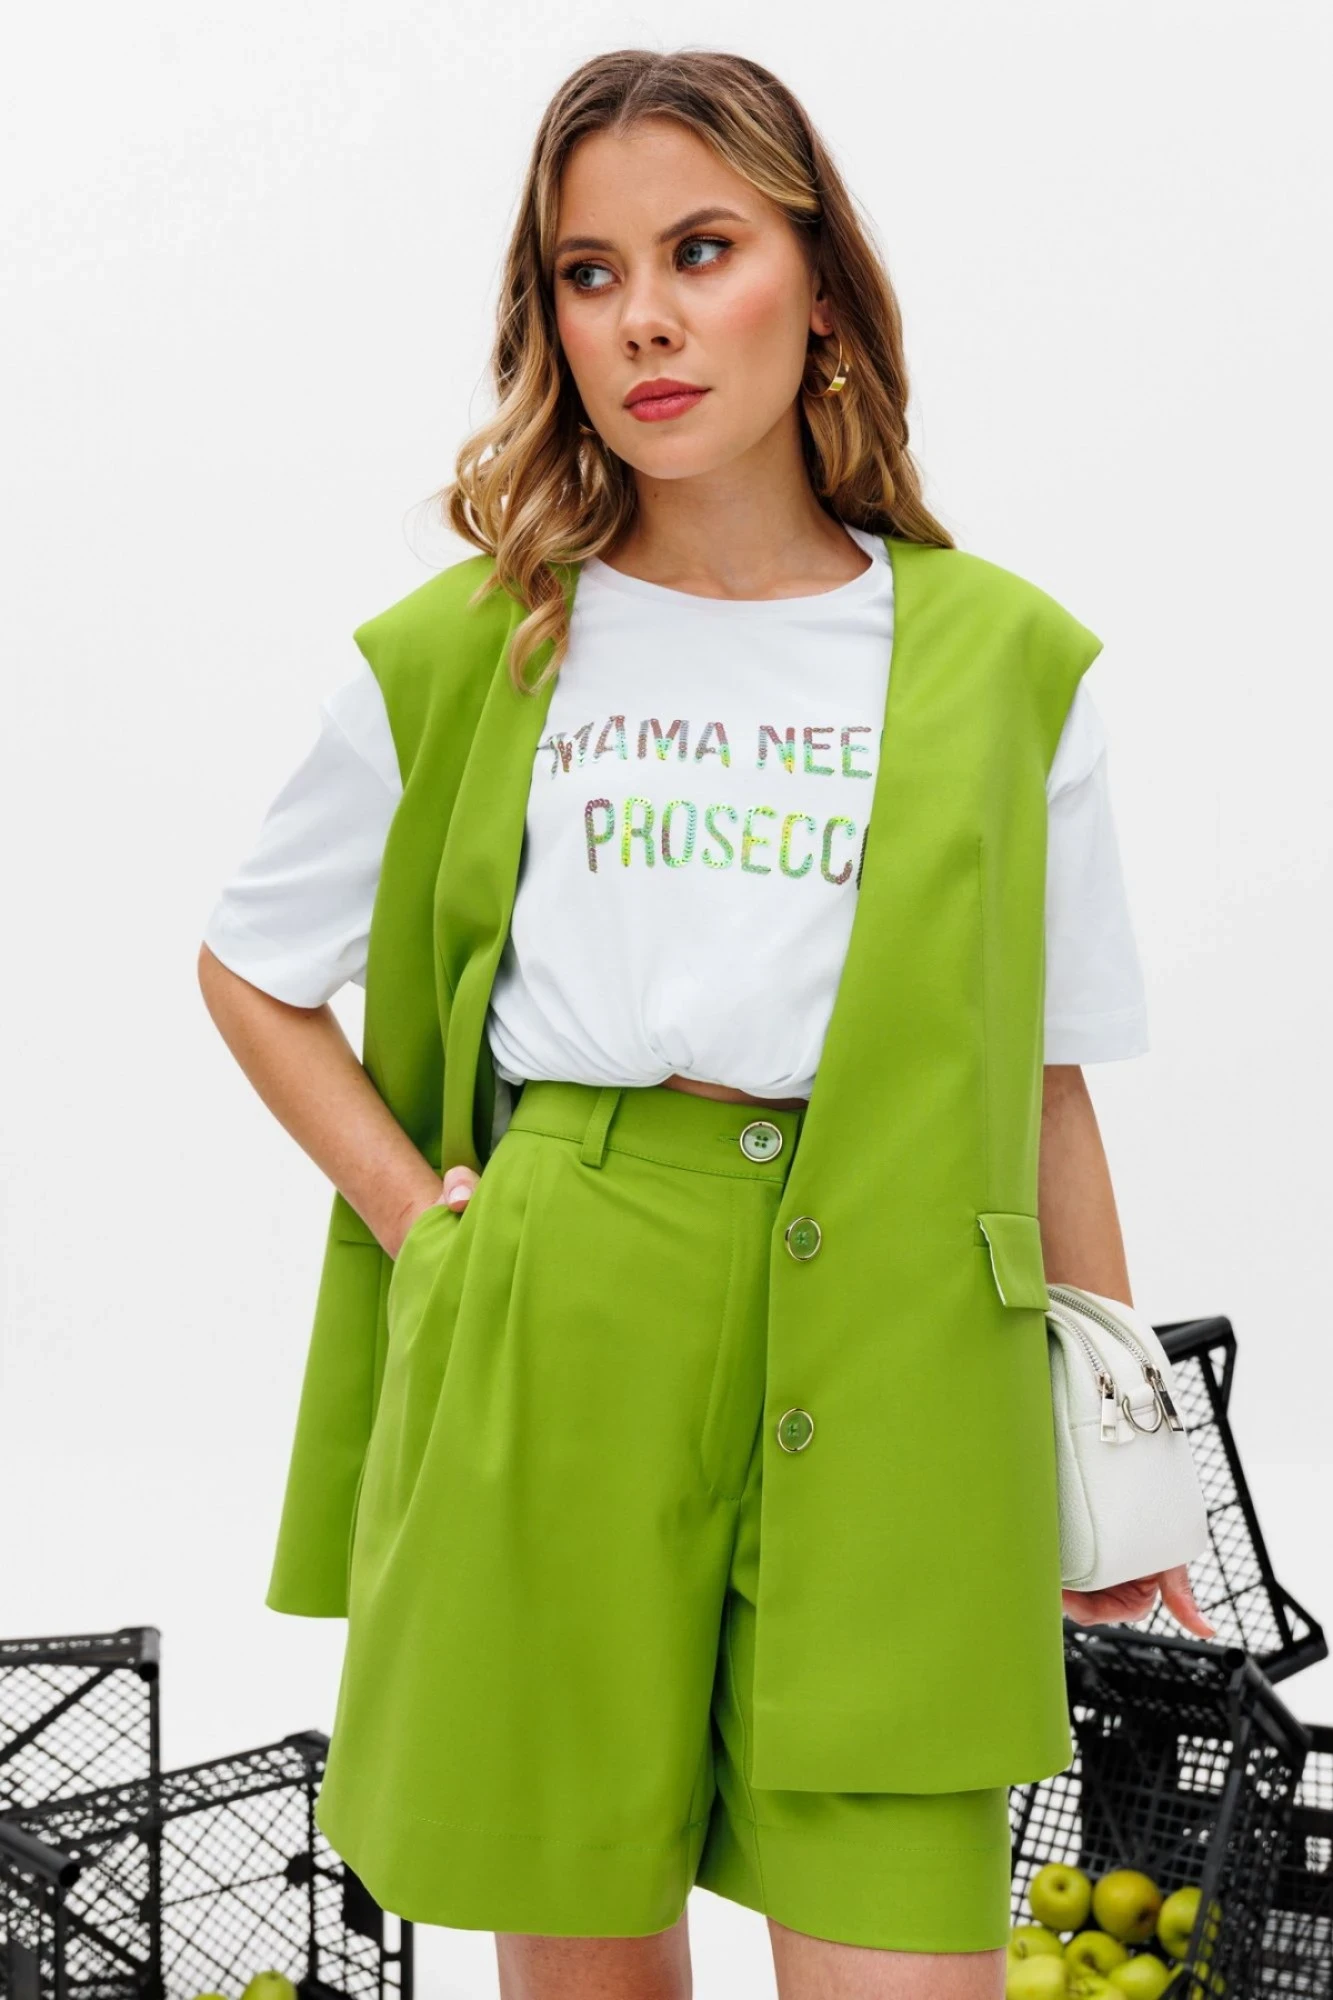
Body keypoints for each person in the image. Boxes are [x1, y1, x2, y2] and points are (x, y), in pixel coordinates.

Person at [198, 45, 1213, 2000]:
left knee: (905, 1947)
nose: (645, 318)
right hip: (568, 1311)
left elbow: (1045, 1080)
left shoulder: (1007, 663)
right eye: (589, 274)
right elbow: (253, 967)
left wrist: (1122, 1444)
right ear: (551, 321)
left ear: (818, 285)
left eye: (701, 249)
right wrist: (425, 1225)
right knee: (583, 1946)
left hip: (907, 1336)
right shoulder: (475, 643)